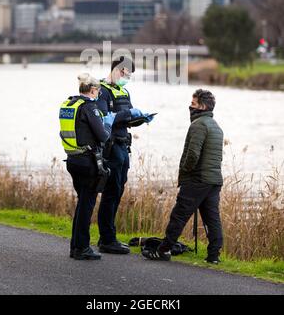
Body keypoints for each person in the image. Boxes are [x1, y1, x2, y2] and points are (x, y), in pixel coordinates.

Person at [147, 89, 224, 264]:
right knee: (212, 218)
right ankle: (214, 256)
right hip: (214, 180)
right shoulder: (216, 126)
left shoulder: (198, 125)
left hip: (197, 179)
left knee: (179, 215)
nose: (190, 106)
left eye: (193, 103)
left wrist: (186, 172)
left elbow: (193, 154)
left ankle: (163, 250)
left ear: (202, 106)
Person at [96, 56, 153, 254]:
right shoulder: (102, 91)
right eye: (125, 74)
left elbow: (125, 118)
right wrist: (128, 115)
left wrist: (139, 117)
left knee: (118, 191)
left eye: (129, 75)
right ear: (116, 70)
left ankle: (109, 236)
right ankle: (107, 239)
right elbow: (105, 120)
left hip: (123, 145)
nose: (127, 78)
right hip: (111, 148)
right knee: (111, 192)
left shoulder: (123, 91)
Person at [59, 73, 115, 261]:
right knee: (87, 204)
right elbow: (103, 136)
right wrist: (108, 124)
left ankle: (76, 246)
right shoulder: (89, 107)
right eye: (98, 90)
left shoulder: (69, 104)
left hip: (72, 160)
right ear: (92, 90)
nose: (99, 93)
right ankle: (82, 247)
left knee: (82, 202)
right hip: (87, 161)